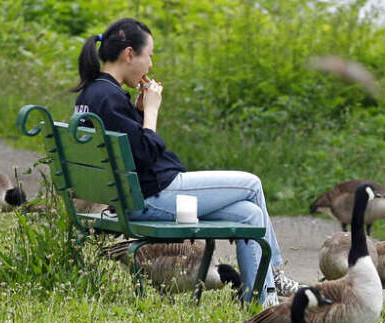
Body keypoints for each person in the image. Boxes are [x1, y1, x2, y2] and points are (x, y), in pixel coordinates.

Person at [71, 18, 300, 305]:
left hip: (134, 195)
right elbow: (145, 153)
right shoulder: (109, 97)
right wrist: (152, 112)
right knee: (252, 184)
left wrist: (139, 114)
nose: (150, 65)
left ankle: (262, 303)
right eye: (149, 55)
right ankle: (275, 274)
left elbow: (130, 151)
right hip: (152, 196)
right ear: (129, 54)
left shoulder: (92, 94)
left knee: (249, 215)